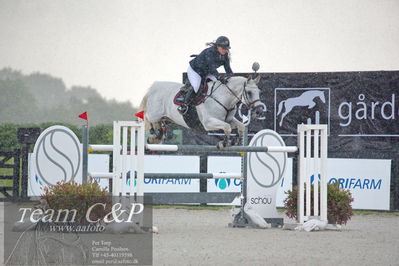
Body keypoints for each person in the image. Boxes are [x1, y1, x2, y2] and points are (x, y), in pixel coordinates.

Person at [178, 36, 234, 114]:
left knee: (218, 85)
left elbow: (228, 69)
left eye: (226, 48)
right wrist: (218, 76)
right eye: (223, 48)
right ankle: (183, 105)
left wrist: (232, 78)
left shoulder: (225, 55)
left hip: (206, 72)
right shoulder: (210, 52)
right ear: (217, 46)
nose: (225, 50)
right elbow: (212, 67)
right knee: (196, 86)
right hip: (195, 70)